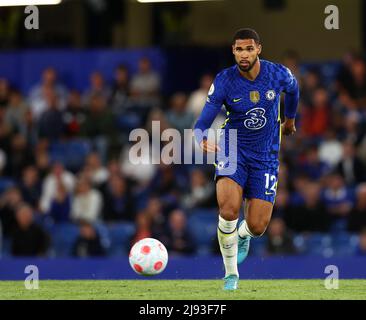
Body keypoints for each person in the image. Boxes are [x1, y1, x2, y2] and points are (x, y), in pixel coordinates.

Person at [194, 28, 299, 290]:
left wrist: (290, 120)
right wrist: (200, 137)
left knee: (258, 225)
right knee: (228, 209)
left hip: (265, 155)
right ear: (233, 51)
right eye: (239, 49)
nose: (244, 54)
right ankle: (231, 274)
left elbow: (294, 91)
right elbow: (203, 120)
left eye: (249, 48)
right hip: (232, 148)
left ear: (259, 49)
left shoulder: (278, 74)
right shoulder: (225, 80)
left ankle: (243, 235)